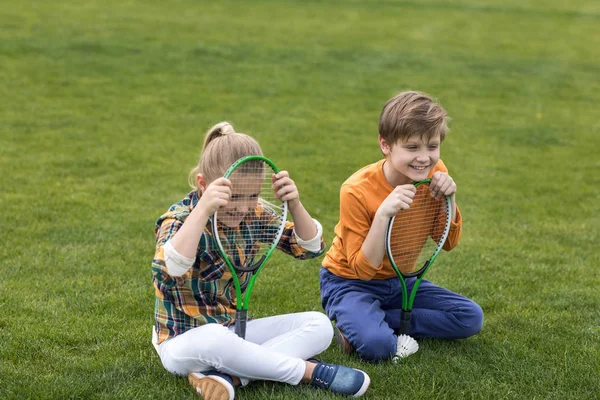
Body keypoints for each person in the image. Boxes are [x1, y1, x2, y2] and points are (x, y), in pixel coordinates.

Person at [151, 122, 371, 399]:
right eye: (234, 196)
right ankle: (308, 372)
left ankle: (228, 378)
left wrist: (295, 204)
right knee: (216, 340)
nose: (243, 207)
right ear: (204, 184)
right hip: (183, 340)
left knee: (319, 325)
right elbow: (167, 271)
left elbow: (309, 247)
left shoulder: (251, 214)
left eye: (253, 196)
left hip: (233, 331)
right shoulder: (178, 220)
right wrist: (204, 209)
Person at [320, 91, 484, 362]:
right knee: (379, 347)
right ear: (385, 145)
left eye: (432, 146)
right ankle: (362, 322)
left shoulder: (435, 171)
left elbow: (449, 242)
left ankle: (371, 321)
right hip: (349, 283)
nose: (424, 158)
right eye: (412, 147)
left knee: (469, 318)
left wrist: (449, 199)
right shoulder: (355, 191)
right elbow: (362, 269)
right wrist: (383, 213)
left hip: (400, 281)